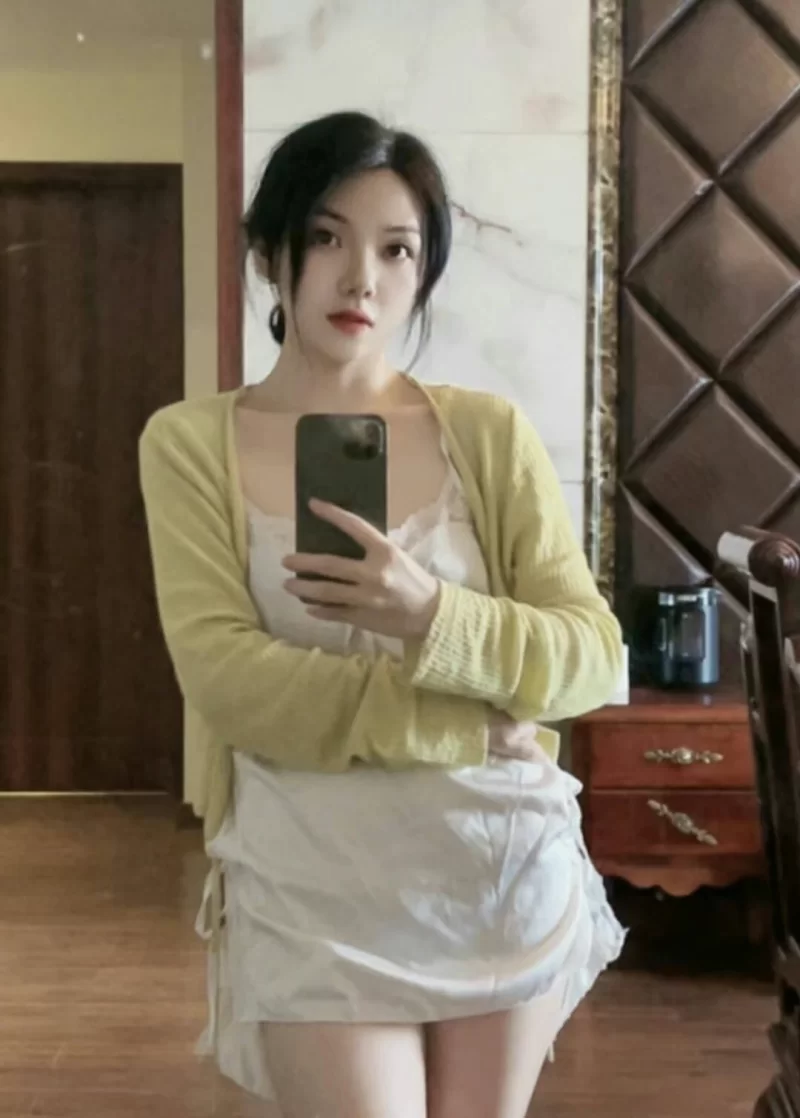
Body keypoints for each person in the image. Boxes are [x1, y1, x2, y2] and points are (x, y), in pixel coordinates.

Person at [139, 110, 626, 1118]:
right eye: (326, 237)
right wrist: (468, 722)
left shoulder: (485, 434)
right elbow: (230, 681)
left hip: (493, 864)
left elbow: (590, 657)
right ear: (270, 253)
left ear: (424, 271)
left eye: (396, 248)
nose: (360, 277)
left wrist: (430, 612)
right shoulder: (188, 444)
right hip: (308, 879)